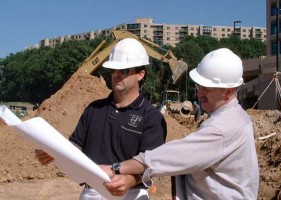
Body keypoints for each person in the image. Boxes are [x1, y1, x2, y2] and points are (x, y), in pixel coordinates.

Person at [102, 48, 259, 199]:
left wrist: (115, 168)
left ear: (229, 91)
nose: (199, 93)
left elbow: (170, 157)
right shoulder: (233, 116)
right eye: (199, 86)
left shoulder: (223, 128)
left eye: (207, 89)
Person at [35, 38, 167, 200]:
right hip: (92, 193)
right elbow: (74, 149)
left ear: (140, 74)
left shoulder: (152, 117)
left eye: (124, 70)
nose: (117, 74)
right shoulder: (94, 110)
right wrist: (54, 152)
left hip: (131, 194)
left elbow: (151, 164)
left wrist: (128, 180)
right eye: (113, 70)